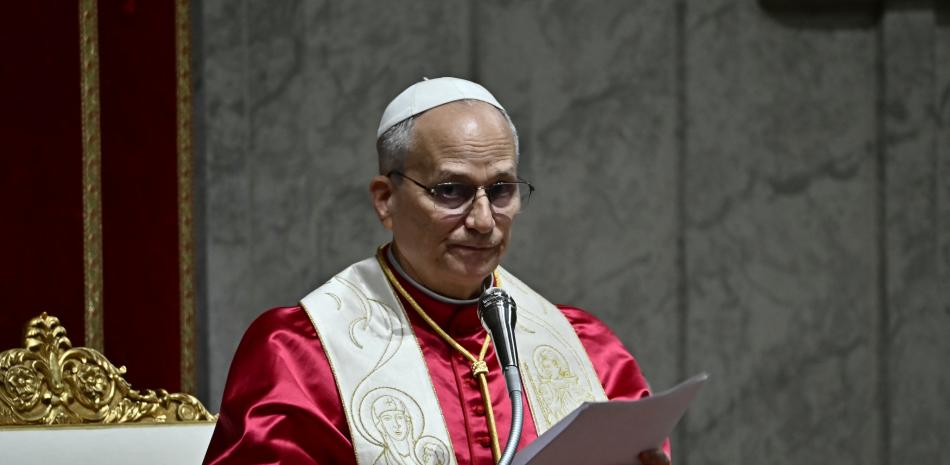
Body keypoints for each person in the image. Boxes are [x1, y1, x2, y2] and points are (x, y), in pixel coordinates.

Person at [203, 77, 671, 465]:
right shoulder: (300, 356)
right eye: (452, 190)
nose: (484, 220)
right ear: (386, 200)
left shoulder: (589, 350)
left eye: (502, 189)